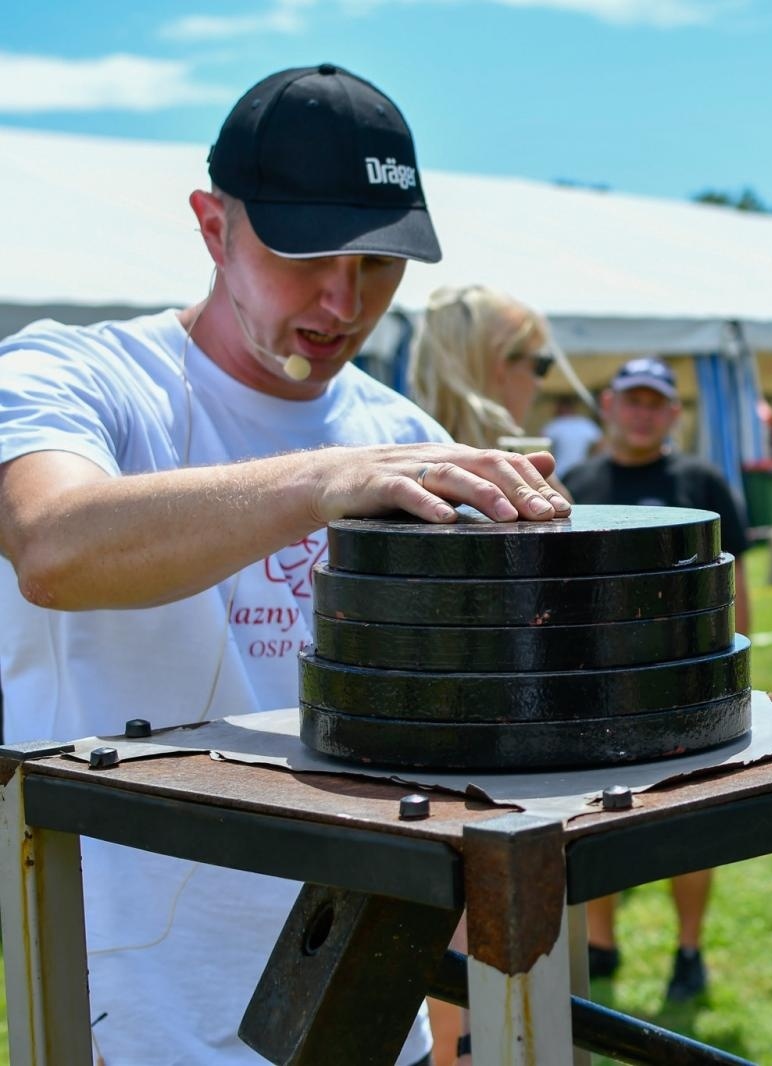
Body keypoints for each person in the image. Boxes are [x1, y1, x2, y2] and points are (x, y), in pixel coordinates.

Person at [0, 64, 569, 1066]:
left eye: (380, 262)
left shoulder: (404, 438)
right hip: (134, 1015)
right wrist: (324, 480)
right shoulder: (78, 377)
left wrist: (464, 1033)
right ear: (213, 226)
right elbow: (51, 543)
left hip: (364, 998)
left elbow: (451, 762)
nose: (343, 300)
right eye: (305, 250)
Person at [563, 355, 752, 1002]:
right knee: (595, 820)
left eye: (655, 402)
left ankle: (689, 950)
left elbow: (734, 584)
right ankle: (600, 942)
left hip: (686, 687)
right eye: (631, 400)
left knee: (689, 823)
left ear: (673, 413)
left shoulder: (700, 481)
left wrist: (736, 672)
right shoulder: (576, 482)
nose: (642, 412)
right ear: (609, 405)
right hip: (597, 686)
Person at [408, 283, 555, 450]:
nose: (539, 383)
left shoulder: (392, 450)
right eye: (541, 365)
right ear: (501, 366)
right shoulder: (512, 471)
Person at [543, 394, 605, 476]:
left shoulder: (555, 425)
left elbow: (542, 444)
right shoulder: (585, 423)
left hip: (562, 472)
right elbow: (600, 443)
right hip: (579, 471)